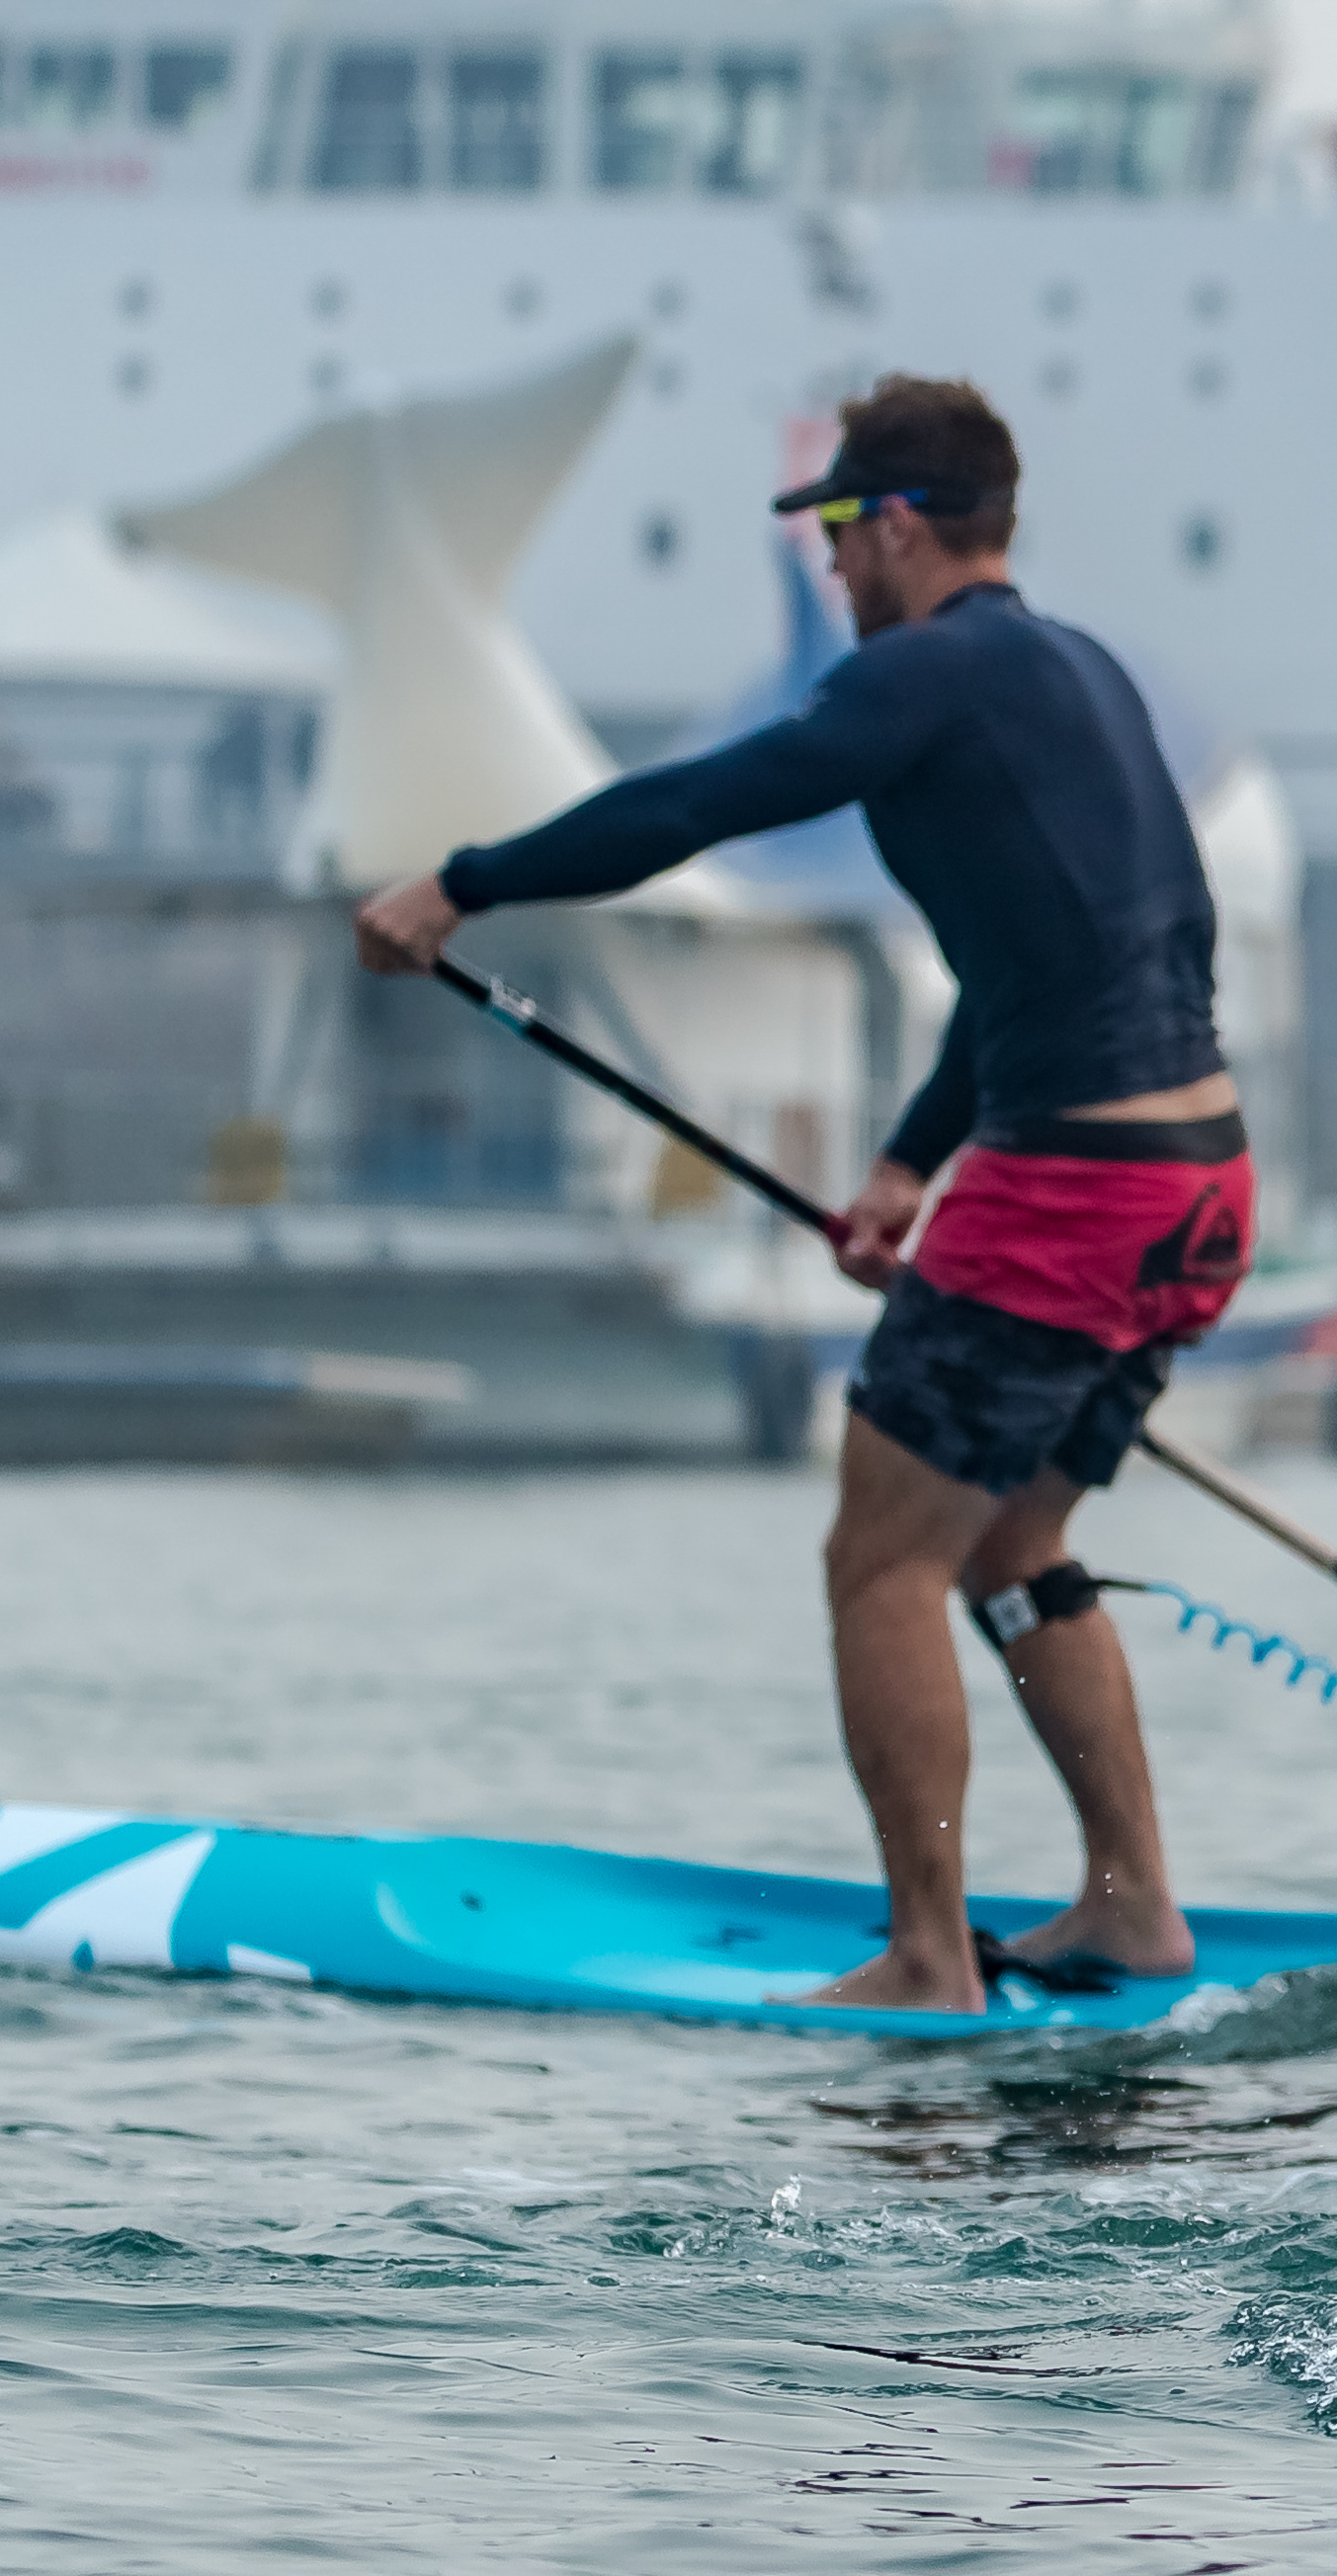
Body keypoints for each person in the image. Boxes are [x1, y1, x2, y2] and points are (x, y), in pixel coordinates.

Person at [353, 376, 1247, 2014]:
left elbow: (689, 809)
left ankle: (924, 1957)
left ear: (897, 523)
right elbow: (1052, 964)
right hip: (1196, 1187)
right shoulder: (1083, 679)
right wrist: (910, 1162)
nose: (832, 571)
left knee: (880, 1566)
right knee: (1010, 1536)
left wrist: (457, 884)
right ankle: (1134, 1913)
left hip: (1069, 1194)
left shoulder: (919, 677)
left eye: (840, 533)